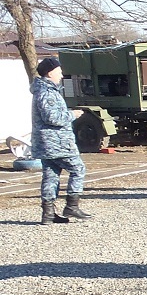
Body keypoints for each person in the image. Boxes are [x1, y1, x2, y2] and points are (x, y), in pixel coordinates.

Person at [30, 56, 91, 224]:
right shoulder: (47, 93)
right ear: (50, 73)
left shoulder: (44, 91)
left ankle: (48, 214)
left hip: (47, 143)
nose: (62, 75)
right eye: (59, 71)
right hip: (56, 142)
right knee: (78, 169)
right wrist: (73, 114)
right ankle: (72, 206)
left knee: (51, 175)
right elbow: (52, 117)